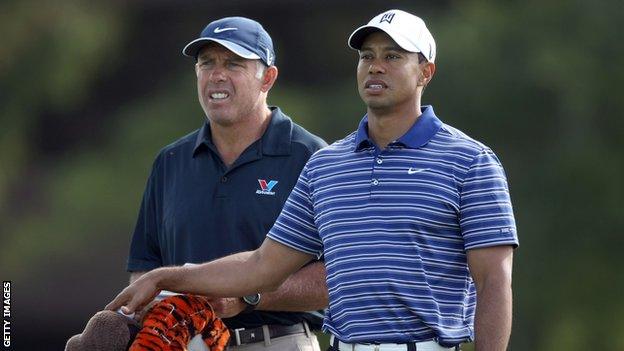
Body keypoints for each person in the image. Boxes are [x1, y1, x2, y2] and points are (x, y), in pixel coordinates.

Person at [108, 9, 518, 351]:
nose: (375, 65)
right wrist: (165, 277)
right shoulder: (328, 166)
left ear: (425, 71)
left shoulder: (470, 161)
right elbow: (260, 265)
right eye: (367, 55)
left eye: (394, 56)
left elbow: (493, 281)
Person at [124, 16, 328, 351]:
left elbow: (336, 277)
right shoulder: (170, 162)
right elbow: (145, 270)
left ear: (268, 78)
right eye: (207, 63)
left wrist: (249, 297)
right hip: (185, 344)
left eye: (233, 63)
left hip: (276, 342)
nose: (217, 74)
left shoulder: (310, 157)